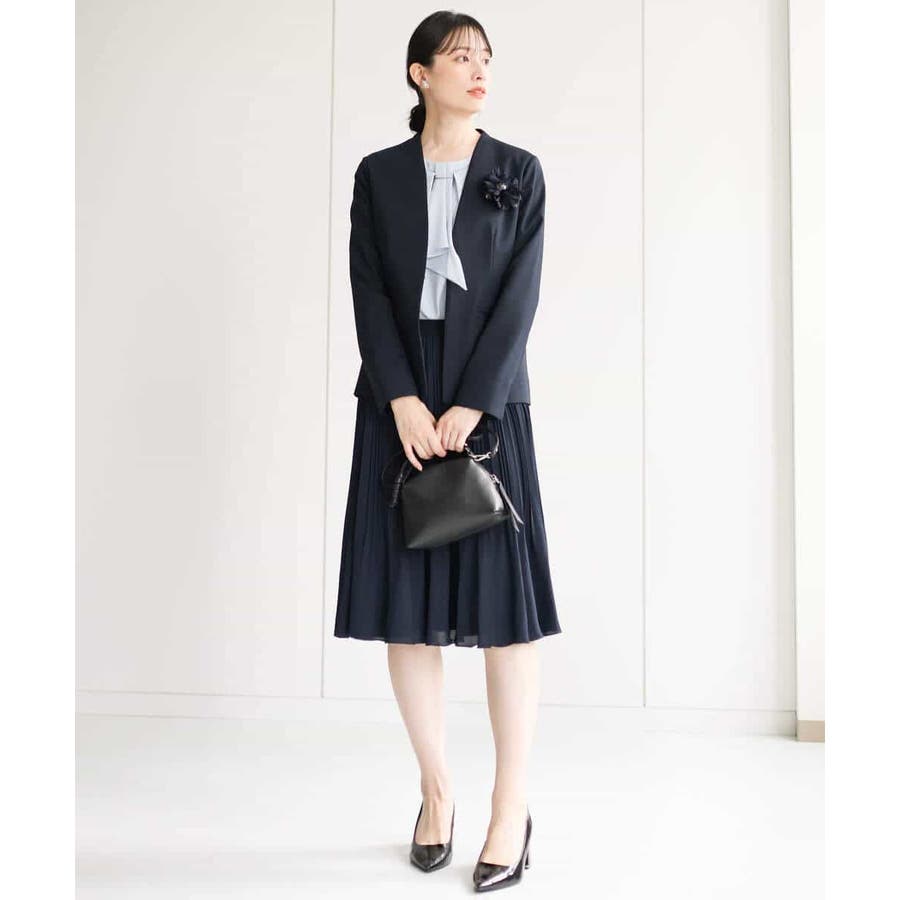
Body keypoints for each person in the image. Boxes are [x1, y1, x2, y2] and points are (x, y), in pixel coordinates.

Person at [333, 10, 561, 892]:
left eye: (486, 58)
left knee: (509, 614)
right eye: (460, 57)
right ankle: (436, 792)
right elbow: (368, 290)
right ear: (419, 73)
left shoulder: (519, 172)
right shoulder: (378, 175)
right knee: (406, 607)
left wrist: (474, 400)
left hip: (487, 395)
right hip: (399, 399)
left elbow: (520, 295)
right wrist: (401, 397)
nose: (479, 70)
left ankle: (510, 808)